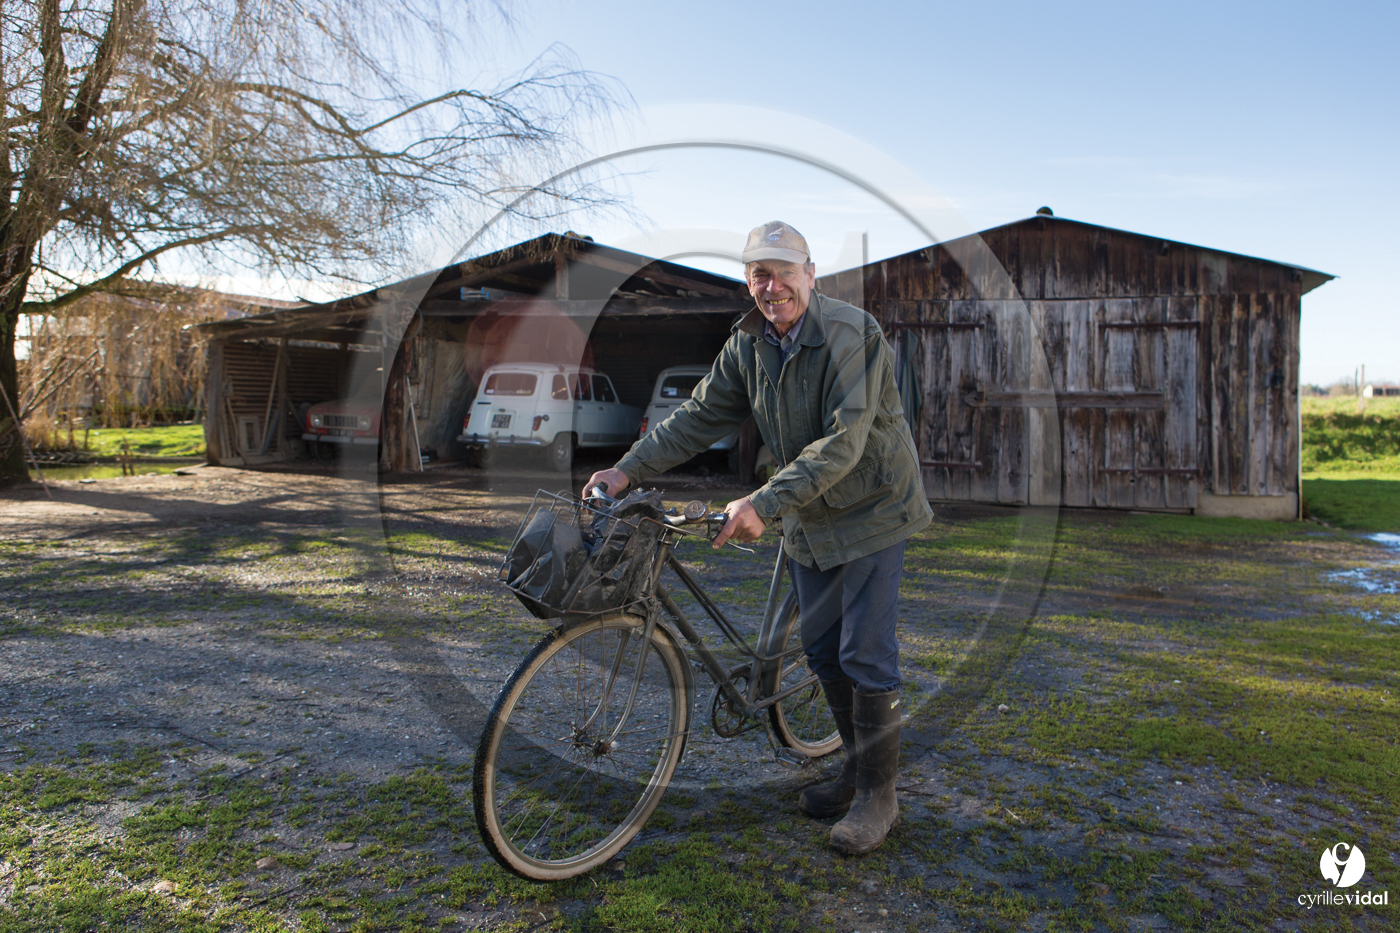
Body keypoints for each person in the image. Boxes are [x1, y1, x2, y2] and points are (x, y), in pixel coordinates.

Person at [585, 221, 931, 855]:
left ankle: (881, 797)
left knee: (865, 652)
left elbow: (844, 443)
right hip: (809, 510)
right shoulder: (746, 342)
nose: (772, 287)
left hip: (873, 507)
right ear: (749, 282)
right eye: (759, 275)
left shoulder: (853, 334)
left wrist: (764, 502)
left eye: (784, 272)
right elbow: (698, 415)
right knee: (823, 652)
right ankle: (856, 770)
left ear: (810, 273)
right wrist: (627, 467)